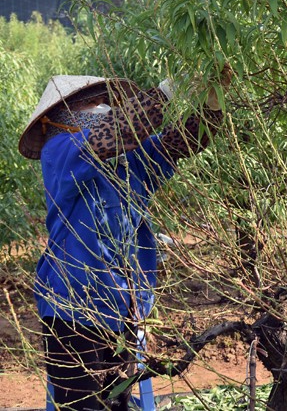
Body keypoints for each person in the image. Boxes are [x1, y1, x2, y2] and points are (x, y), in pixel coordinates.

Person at [18, 67, 231, 410]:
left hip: (122, 304)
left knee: (117, 404)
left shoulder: (129, 160)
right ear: (63, 114)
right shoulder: (60, 151)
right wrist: (169, 89)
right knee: (82, 405)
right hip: (74, 304)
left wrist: (211, 104)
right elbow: (113, 132)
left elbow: (177, 144)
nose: (106, 107)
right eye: (97, 102)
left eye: (108, 102)